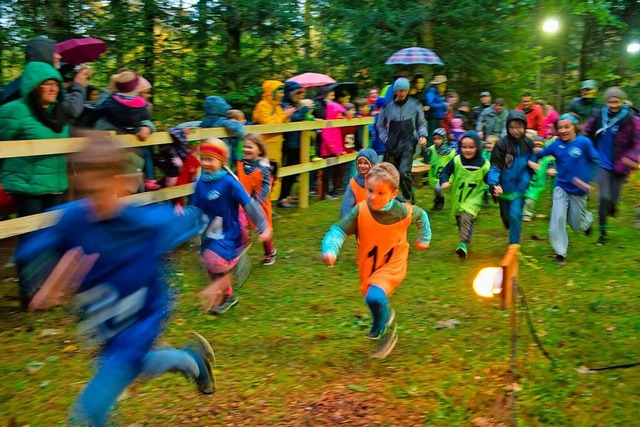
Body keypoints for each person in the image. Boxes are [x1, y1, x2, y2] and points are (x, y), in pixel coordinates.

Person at [14, 136, 216, 426]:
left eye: (103, 189)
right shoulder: (75, 219)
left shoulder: (146, 224)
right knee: (128, 367)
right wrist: (49, 282)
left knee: (88, 412)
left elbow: (196, 221)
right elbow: (34, 251)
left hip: (142, 319)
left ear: (121, 183)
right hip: (102, 317)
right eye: (88, 190)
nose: (96, 201)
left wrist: (214, 279)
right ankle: (191, 361)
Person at [321, 162, 431, 357]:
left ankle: (386, 330)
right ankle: (383, 319)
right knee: (371, 297)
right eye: (370, 190)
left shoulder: (402, 211)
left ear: (393, 194)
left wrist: (424, 237)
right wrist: (330, 248)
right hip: (368, 265)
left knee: (375, 296)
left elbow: (421, 215)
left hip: (393, 262)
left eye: (380, 193)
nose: (372, 196)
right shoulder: (360, 211)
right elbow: (339, 230)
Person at [192, 139, 271, 315]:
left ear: (222, 161)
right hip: (209, 232)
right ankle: (228, 295)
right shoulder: (200, 183)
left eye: (210, 159)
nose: (205, 163)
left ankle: (232, 272)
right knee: (209, 264)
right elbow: (194, 207)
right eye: (202, 158)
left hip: (229, 231)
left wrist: (263, 226)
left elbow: (249, 204)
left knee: (214, 260)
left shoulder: (229, 183)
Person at [529, 114, 599, 264]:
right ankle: (560, 252)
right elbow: (539, 154)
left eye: (567, 127)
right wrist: (533, 161)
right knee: (558, 217)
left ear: (575, 127)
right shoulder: (556, 145)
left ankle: (587, 220)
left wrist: (587, 179)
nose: (563, 130)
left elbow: (596, 161)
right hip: (561, 187)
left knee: (576, 225)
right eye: (560, 128)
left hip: (579, 191)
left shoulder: (584, 142)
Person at [583, 87, 640, 245]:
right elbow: (587, 132)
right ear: (606, 101)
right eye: (610, 101)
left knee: (613, 201)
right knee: (604, 198)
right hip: (601, 163)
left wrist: (631, 157)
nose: (613, 105)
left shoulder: (632, 120)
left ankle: (613, 207)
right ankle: (603, 234)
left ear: (623, 101)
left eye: (617, 101)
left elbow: (637, 143)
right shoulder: (598, 116)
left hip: (620, 165)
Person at [94, 70, 158, 192]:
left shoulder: (134, 104)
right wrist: (128, 129)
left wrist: (147, 127)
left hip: (133, 156)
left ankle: (146, 183)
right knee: (120, 194)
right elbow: (99, 124)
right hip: (112, 156)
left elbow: (145, 120)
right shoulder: (107, 103)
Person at [0, 35, 90, 118]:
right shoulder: (37, 83)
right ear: (44, 54)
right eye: (54, 52)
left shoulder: (33, 79)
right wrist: (79, 84)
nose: (59, 56)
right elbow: (71, 110)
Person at [376, 77, 428, 203]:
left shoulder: (415, 104)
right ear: (395, 91)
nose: (402, 93)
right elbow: (380, 125)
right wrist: (385, 139)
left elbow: (421, 123)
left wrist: (422, 135)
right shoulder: (387, 107)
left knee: (404, 171)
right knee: (395, 174)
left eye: (405, 90)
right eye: (399, 91)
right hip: (392, 143)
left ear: (408, 90)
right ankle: (407, 197)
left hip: (410, 141)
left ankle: (407, 197)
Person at [439, 131, 490, 259]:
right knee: (460, 220)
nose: (467, 150)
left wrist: (494, 188)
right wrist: (444, 181)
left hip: (474, 199)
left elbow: (490, 179)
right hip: (458, 198)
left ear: (478, 147)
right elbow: (445, 172)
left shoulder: (484, 165)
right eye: (464, 147)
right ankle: (465, 240)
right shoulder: (456, 160)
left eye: (471, 147)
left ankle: (463, 244)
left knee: (466, 218)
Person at [488, 110, 535, 244]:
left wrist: (529, 176)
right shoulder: (501, 145)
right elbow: (495, 166)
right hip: (504, 189)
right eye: (512, 127)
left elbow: (533, 162)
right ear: (507, 127)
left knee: (515, 215)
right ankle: (507, 221)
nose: (516, 130)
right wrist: (493, 183)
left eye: (519, 126)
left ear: (525, 127)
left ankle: (513, 245)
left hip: (520, 188)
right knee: (506, 216)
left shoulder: (529, 144)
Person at [236, 133, 277, 265]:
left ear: (259, 149)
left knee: (263, 229)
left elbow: (267, 187)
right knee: (240, 224)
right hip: (243, 202)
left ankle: (269, 252)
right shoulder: (240, 163)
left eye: (250, 147)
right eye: (244, 146)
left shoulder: (263, 168)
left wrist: (257, 200)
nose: (246, 149)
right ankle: (240, 248)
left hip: (259, 204)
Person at [252, 80, 296, 201]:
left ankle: (271, 203)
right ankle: (262, 203)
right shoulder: (262, 105)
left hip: (277, 146)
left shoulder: (277, 107)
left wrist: (287, 115)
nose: (282, 95)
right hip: (264, 146)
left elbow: (283, 123)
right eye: (279, 92)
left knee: (274, 175)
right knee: (264, 175)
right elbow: (270, 124)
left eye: (283, 92)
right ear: (271, 92)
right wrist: (284, 115)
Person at [278, 81, 308, 208]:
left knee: (294, 172)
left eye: (302, 92)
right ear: (288, 92)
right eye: (298, 92)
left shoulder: (295, 105)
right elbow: (293, 118)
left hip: (298, 142)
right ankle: (282, 198)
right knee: (287, 172)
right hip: (289, 143)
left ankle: (287, 196)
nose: (300, 95)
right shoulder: (284, 105)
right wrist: (305, 109)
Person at [201, 95, 246, 167]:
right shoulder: (222, 121)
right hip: (221, 154)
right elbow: (240, 130)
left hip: (207, 152)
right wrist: (237, 123)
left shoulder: (205, 122)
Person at [339, 148, 379, 218]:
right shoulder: (354, 183)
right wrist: (345, 222)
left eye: (365, 163)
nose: (362, 166)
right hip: (360, 218)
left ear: (373, 164)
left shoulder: (381, 180)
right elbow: (346, 205)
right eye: (360, 163)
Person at [522, 138, 554, 222]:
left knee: (530, 199)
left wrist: (551, 170)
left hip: (538, 184)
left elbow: (551, 165)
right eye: (535, 146)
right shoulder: (528, 156)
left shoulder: (547, 159)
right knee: (523, 198)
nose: (537, 148)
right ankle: (521, 211)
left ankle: (527, 214)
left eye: (539, 146)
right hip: (526, 182)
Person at [423, 128, 455, 211]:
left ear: (444, 139)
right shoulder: (432, 149)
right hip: (434, 174)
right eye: (435, 139)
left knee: (438, 188)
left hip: (445, 175)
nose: (436, 141)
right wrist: (423, 147)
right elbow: (427, 153)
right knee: (436, 189)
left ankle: (441, 200)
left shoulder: (450, 152)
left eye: (439, 139)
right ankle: (437, 201)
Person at [425, 75, 448, 145]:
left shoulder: (438, 94)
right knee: (431, 137)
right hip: (432, 118)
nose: (444, 88)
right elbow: (430, 104)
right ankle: (427, 152)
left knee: (438, 136)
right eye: (443, 85)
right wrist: (443, 105)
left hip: (438, 118)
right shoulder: (431, 92)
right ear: (438, 85)